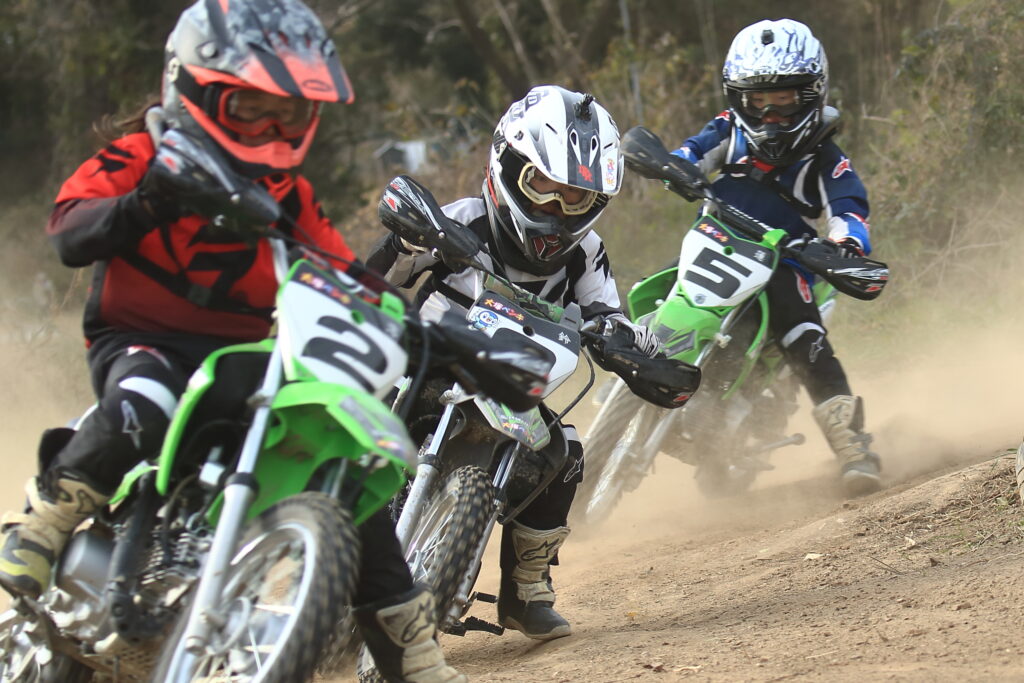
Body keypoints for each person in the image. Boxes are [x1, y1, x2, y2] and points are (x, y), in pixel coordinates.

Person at [0, 1, 464, 681]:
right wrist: (149, 200)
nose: (273, 128)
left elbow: (348, 273)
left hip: (245, 358)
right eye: (252, 107)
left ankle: (412, 652)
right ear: (192, 85)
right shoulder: (141, 154)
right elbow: (70, 231)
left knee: (341, 465)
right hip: (144, 342)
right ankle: (43, 523)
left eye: (290, 113)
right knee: (147, 398)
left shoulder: (289, 194)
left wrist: (443, 337)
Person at [367, 85, 664, 642]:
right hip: (429, 366)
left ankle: (526, 589)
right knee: (369, 397)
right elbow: (377, 277)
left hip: (512, 390)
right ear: (508, 166)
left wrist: (628, 346)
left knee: (564, 452)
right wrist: (406, 239)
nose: (558, 210)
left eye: (576, 198)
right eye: (544, 187)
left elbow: (607, 312)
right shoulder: (464, 219)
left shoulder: (586, 253)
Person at [671, 18, 881, 496]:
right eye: (757, 100)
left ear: (811, 94)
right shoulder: (726, 130)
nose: (769, 112)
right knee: (658, 292)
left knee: (804, 336)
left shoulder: (826, 157)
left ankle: (853, 446)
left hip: (784, 262)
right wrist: (671, 166)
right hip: (716, 243)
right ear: (738, 98)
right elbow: (690, 154)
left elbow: (848, 208)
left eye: (784, 98)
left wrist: (846, 246)